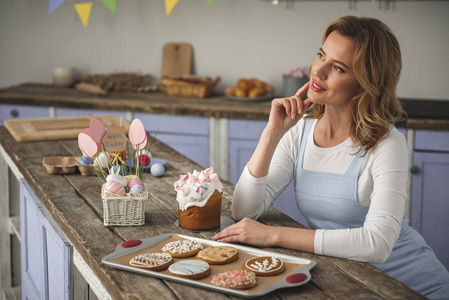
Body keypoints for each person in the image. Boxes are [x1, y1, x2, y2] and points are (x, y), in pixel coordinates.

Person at [213, 16, 449, 299]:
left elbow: (376, 244)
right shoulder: (299, 130)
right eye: (320, 55)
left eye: (337, 67)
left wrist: (273, 234)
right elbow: (243, 212)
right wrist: (272, 133)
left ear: (365, 83)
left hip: (413, 286)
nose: (318, 72)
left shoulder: (387, 144)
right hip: (354, 282)